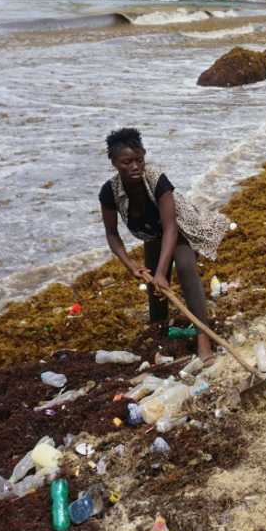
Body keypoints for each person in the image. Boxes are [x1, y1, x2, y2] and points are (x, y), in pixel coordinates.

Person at [99, 128, 230, 360]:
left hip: (180, 229)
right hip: (152, 235)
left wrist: (162, 272)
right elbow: (111, 234)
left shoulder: (157, 180)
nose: (135, 166)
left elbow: (170, 227)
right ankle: (160, 336)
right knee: (155, 287)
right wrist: (131, 265)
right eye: (126, 162)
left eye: (139, 160)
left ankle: (203, 338)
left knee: (185, 267)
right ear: (114, 163)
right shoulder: (109, 191)